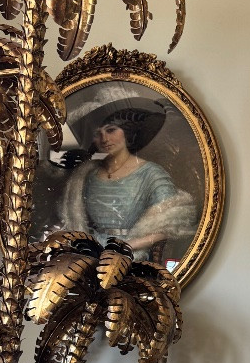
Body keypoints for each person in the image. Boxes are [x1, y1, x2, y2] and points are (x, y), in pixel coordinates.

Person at [60, 99, 196, 262]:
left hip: (132, 255)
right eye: (98, 134)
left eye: (111, 130)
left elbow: (172, 221)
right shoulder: (86, 175)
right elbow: (76, 221)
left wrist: (130, 245)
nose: (104, 139)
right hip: (90, 252)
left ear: (127, 133)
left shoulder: (151, 173)